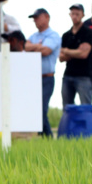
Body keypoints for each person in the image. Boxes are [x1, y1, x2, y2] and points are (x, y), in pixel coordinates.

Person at [24, 8, 61, 137]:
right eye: (34, 18)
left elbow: (46, 51)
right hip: (33, 79)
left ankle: (48, 137)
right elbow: (25, 47)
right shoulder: (33, 36)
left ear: (47, 17)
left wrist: (33, 48)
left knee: (41, 108)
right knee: (35, 109)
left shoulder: (53, 35)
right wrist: (38, 47)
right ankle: (45, 137)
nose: (35, 20)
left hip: (47, 78)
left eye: (37, 17)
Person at [59, 3, 92, 107]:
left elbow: (83, 54)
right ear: (70, 14)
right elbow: (61, 57)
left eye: (77, 14)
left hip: (84, 76)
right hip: (68, 75)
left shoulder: (88, 33)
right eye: (73, 13)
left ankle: (87, 124)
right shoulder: (66, 35)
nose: (75, 16)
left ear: (82, 15)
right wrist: (75, 52)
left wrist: (66, 50)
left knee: (86, 107)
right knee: (67, 107)